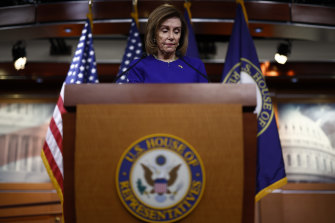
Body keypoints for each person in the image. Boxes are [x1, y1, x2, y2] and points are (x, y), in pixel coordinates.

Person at [126, 4, 208, 83]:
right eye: (165, 31)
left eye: (176, 31)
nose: (171, 37)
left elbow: (206, 96)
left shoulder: (196, 66)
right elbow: (134, 97)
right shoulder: (138, 66)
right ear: (154, 35)